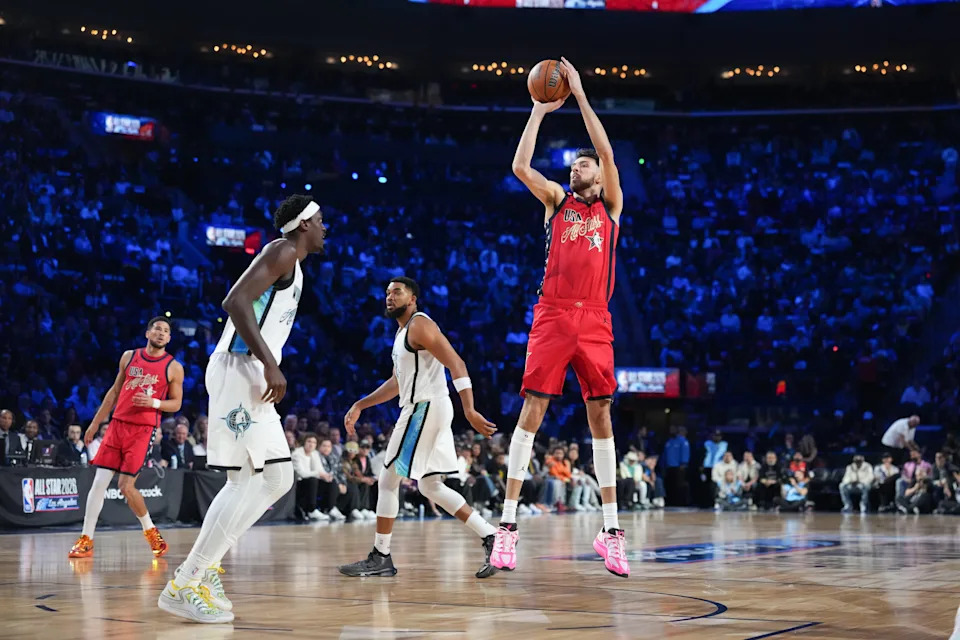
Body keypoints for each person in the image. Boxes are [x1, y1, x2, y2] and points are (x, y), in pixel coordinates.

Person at [158, 194, 325, 623]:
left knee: (278, 477)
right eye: (320, 221)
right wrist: (271, 364)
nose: (325, 228)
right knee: (245, 479)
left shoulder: (293, 262)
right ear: (303, 224)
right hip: (240, 369)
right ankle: (186, 581)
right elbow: (234, 301)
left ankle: (206, 566)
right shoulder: (282, 249)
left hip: (250, 373)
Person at [493, 57, 630, 578]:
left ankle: (611, 530)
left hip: (596, 320)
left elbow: (610, 151)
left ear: (600, 173)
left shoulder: (610, 207)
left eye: (586, 164)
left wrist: (581, 95)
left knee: (601, 416)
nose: (578, 168)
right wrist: (537, 110)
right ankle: (507, 526)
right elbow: (519, 168)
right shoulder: (556, 201)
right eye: (574, 164)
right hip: (551, 315)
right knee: (533, 411)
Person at [338, 277, 500, 580]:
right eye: (387, 292)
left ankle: (381, 556)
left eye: (397, 292)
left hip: (425, 408)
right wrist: (361, 404)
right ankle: (492, 537)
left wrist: (470, 410)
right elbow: (397, 383)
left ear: (412, 299)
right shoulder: (402, 334)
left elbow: (457, 364)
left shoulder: (419, 324)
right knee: (430, 486)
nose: (390, 296)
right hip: (428, 408)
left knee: (387, 482)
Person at [69, 317, 184, 560]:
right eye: (158, 329)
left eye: (166, 331)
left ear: (169, 338)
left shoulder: (173, 367)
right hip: (117, 425)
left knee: (125, 486)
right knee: (99, 482)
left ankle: (151, 531)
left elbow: (176, 403)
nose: (162, 333)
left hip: (143, 430)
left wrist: (154, 403)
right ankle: (86, 538)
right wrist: (95, 422)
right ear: (147, 333)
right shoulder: (129, 356)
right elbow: (113, 392)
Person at [291, 433, 330, 521]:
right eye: (309, 441)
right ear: (304, 442)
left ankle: (329, 509)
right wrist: (318, 473)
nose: (311, 444)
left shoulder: (315, 453)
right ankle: (311, 510)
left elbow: (320, 469)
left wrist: (327, 476)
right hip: (299, 483)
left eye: (314, 442)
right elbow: (302, 474)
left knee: (331, 482)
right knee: (313, 480)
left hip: (312, 481)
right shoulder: (297, 454)